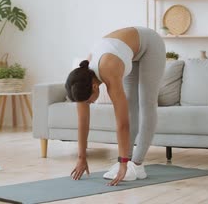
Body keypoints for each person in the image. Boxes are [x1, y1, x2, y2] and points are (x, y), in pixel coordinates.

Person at [65, 26, 166, 186]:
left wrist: (123, 163)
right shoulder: (81, 79)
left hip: (150, 44)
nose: (90, 104)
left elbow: (122, 124)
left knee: (146, 103)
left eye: (90, 101)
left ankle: (137, 165)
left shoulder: (109, 70)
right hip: (126, 52)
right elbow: (82, 121)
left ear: (95, 87)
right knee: (131, 103)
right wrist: (81, 158)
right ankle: (129, 159)